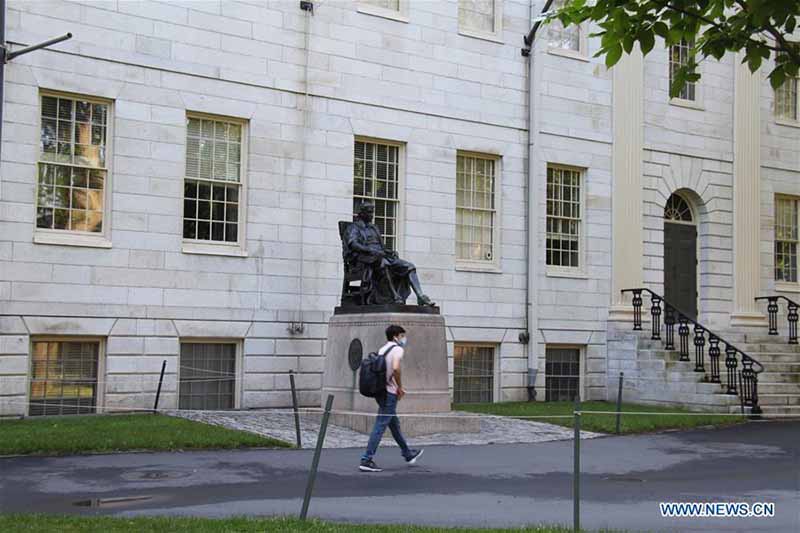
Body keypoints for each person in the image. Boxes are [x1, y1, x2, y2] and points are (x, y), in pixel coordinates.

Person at [359, 324, 424, 472]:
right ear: (396, 336)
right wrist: (400, 387)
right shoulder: (397, 349)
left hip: (380, 391)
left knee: (394, 424)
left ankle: (407, 453)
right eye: (402, 336)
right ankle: (366, 459)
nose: (404, 339)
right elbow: (395, 368)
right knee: (381, 425)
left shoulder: (383, 349)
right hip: (390, 392)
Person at [344, 202, 435, 306]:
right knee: (384, 263)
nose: (372, 215)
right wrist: (369, 250)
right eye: (369, 212)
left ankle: (420, 296)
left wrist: (389, 251)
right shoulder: (354, 227)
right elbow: (353, 244)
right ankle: (395, 297)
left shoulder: (374, 228)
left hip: (381, 255)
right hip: (365, 259)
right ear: (361, 214)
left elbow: (381, 247)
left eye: (372, 212)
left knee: (410, 267)